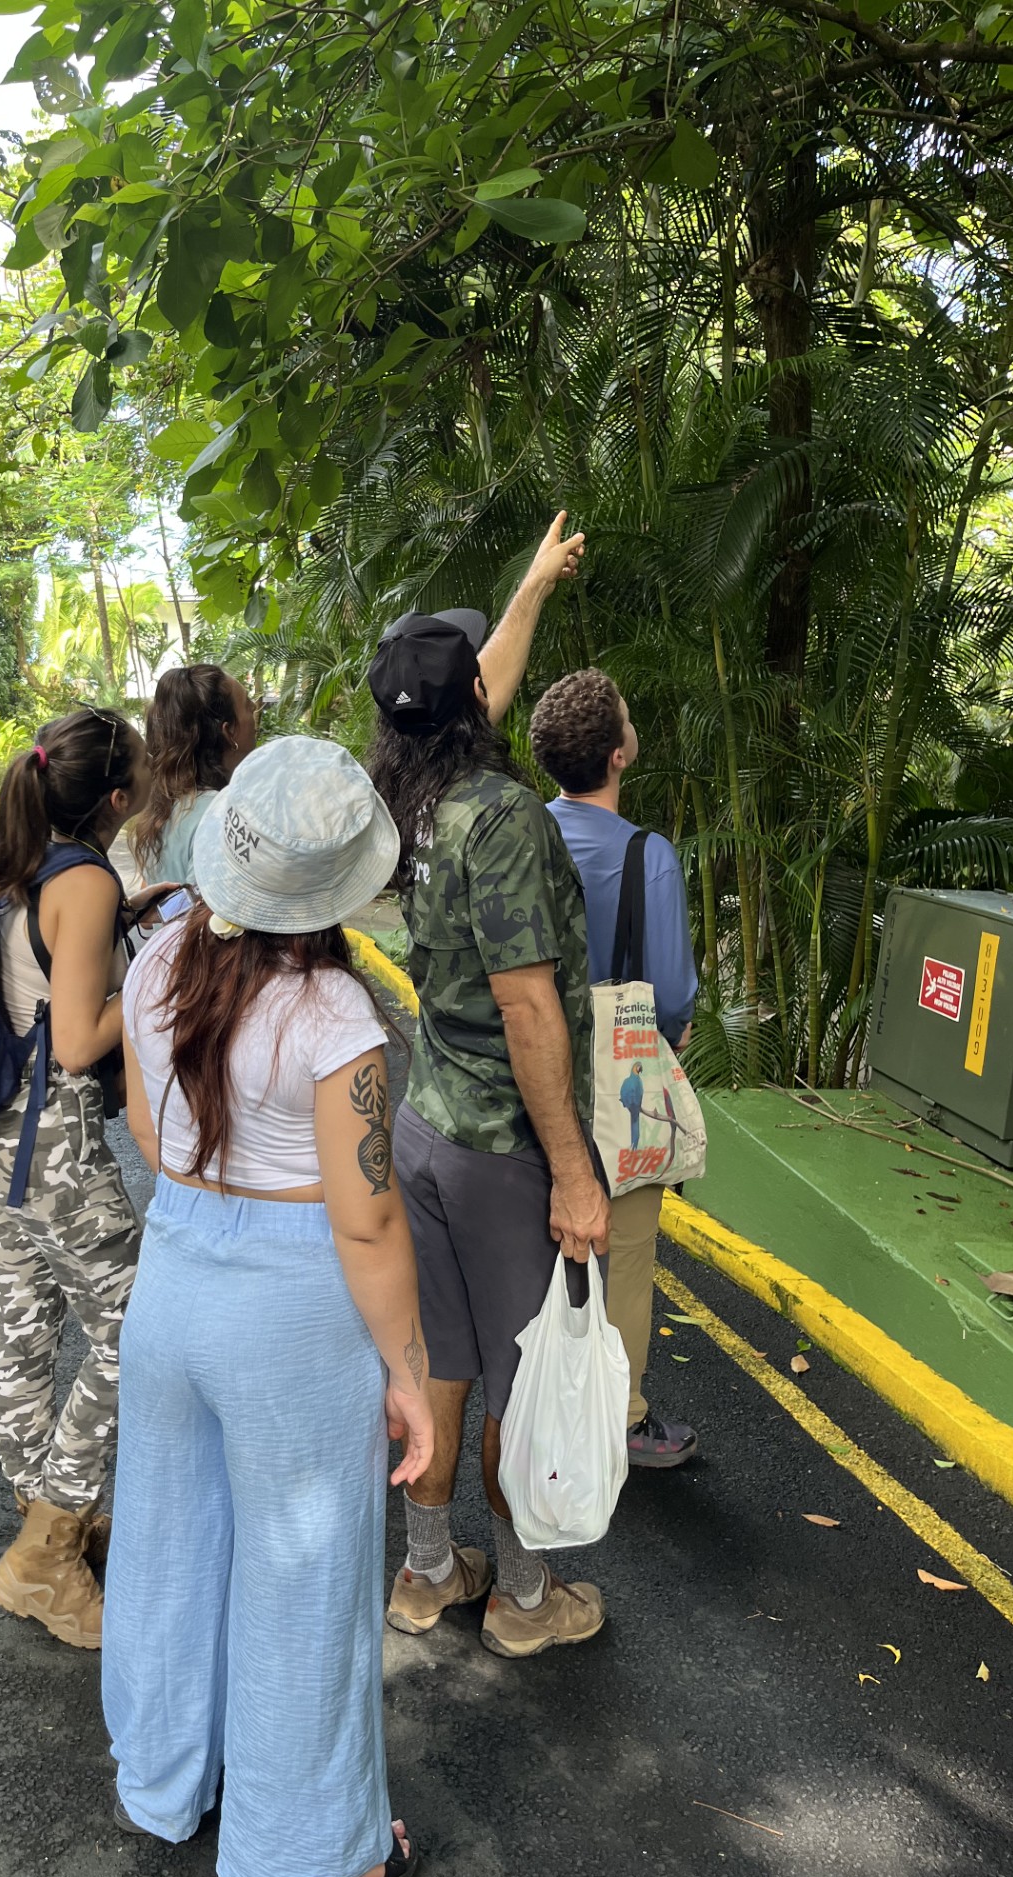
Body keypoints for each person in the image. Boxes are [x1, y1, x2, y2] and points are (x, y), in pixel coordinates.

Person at [104, 736, 435, 1877]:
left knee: (171, 1543)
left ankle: (167, 1778)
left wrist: (222, 1194)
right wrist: (407, 1371)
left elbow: (150, 1141)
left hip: (177, 1278)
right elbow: (368, 1224)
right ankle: (313, 1841)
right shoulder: (334, 1010)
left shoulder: (157, 969)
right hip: (295, 1313)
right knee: (309, 1574)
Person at [365, 512, 613, 1661]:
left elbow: (478, 686)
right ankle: (522, 1598)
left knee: (443, 1359)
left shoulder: (404, 802)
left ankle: (427, 1576)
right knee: (520, 1374)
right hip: (502, 1149)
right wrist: (570, 1170)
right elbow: (528, 1004)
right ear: (471, 704)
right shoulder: (502, 817)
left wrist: (529, 590)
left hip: (424, 1127)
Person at [0, 706, 168, 1649]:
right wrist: (157, 967)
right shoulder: (81, 880)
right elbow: (79, 1040)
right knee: (140, 1328)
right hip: (49, 1138)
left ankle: (47, 1521)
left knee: (26, 1319)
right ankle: (49, 1541)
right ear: (118, 799)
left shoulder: (17, 856)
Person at [532, 667, 700, 1468]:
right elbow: (669, 992)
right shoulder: (648, 855)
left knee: (534, 1241)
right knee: (626, 1249)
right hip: (618, 1078)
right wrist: (673, 1030)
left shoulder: (521, 832)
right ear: (618, 756)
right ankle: (623, 1418)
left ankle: (531, 1404)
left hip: (526, 1069)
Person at [128, 664, 259, 886]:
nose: (255, 707)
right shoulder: (220, 814)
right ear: (228, 732)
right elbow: (203, 913)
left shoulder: (168, 802)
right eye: (247, 705)